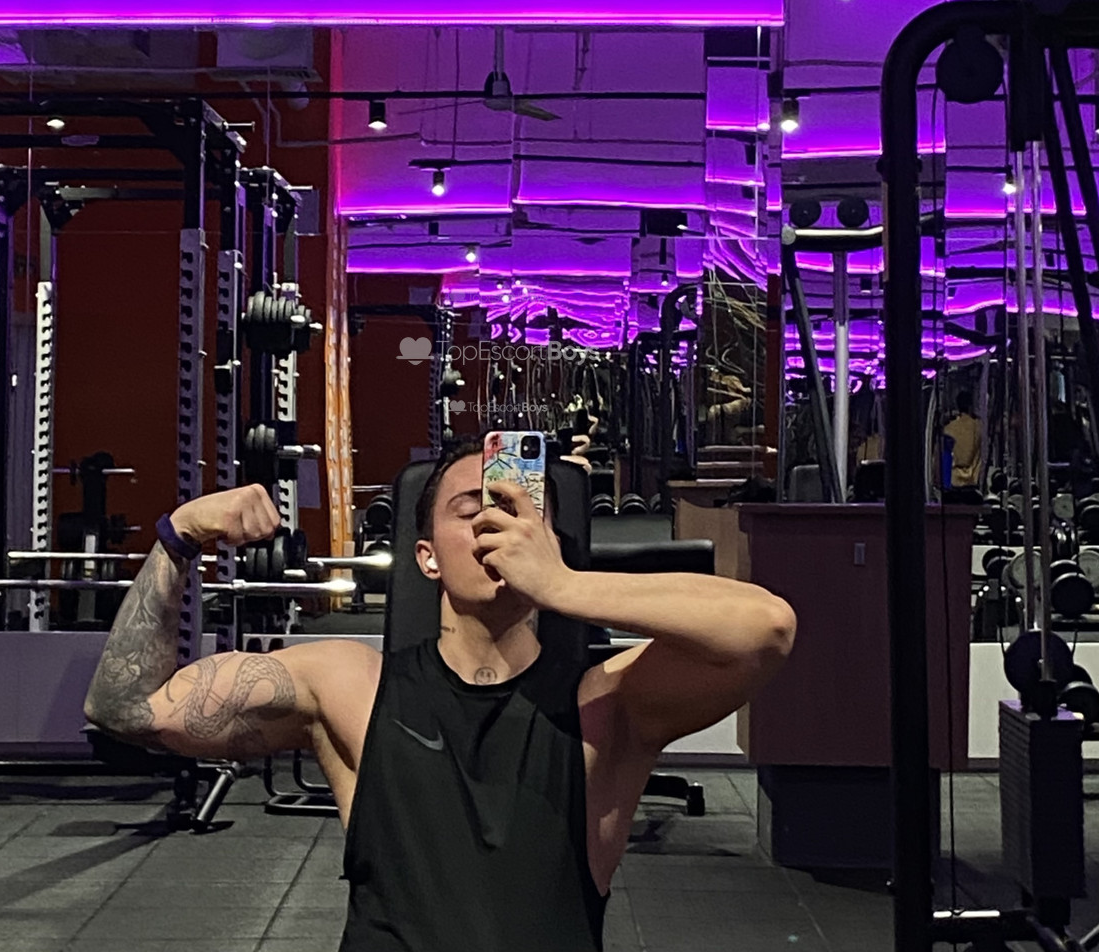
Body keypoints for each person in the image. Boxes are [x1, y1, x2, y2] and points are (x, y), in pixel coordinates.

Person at [84, 439, 796, 952]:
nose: (493, 525)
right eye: (469, 511)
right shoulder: (352, 688)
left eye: (516, 512)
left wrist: (565, 585)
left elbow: (766, 627)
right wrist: (178, 537)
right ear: (425, 557)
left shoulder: (603, 708)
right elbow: (126, 708)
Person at [943, 389, 983, 489]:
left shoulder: (948, 428)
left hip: (953, 479)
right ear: (971, 407)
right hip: (973, 479)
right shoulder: (978, 427)